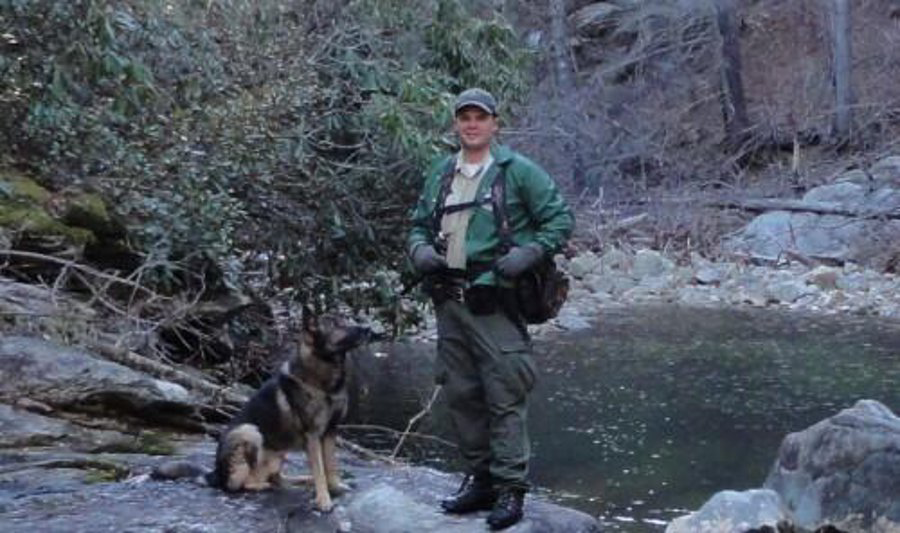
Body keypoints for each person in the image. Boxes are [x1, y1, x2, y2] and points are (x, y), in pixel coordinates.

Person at [407, 87, 574, 530]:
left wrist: (529, 254)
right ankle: (480, 480)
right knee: (461, 394)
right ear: (455, 124)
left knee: (505, 393)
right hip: (449, 300)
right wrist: (420, 251)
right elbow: (418, 225)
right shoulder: (441, 172)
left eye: (480, 117)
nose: (472, 124)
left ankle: (510, 488)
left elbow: (560, 219)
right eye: (464, 117)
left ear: (495, 124)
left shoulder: (518, 172)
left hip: (496, 299)